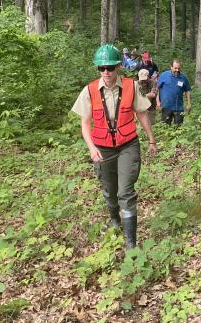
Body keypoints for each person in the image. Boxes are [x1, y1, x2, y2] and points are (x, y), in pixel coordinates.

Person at [71, 44, 157, 250]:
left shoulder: (131, 86)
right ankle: (115, 220)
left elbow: (142, 114)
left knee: (126, 191)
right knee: (110, 191)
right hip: (102, 148)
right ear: (98, 69)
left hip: (128, 145)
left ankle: (130, 243)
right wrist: (91, 148)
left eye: (110, 67)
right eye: (102, 68)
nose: (106, 72)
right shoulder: (90, 90)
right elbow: (85, 124)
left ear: (118, 66)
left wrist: (152, 140)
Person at [157, 60, 192, 125]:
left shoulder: (183, 77)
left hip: (178, 107)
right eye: (175, 68)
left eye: (179, 68)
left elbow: (187, 90)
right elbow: (157, 89)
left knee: (178, 127)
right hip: (166, 106)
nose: (177, 70)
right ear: (171, 67)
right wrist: (158, 102)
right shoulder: (164, 75)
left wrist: (189, 103)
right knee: (165, 126)